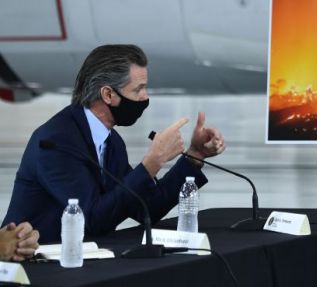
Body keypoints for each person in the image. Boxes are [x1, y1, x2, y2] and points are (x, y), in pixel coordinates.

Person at [2, 45, 226, 243]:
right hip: (35, 266)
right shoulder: (55, 142)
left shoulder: (111, 140)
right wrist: (153, 161)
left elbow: (147, 207)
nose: (145, 97)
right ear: (108, 94)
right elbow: (92, 220)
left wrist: (195, 155)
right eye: (138, 89)